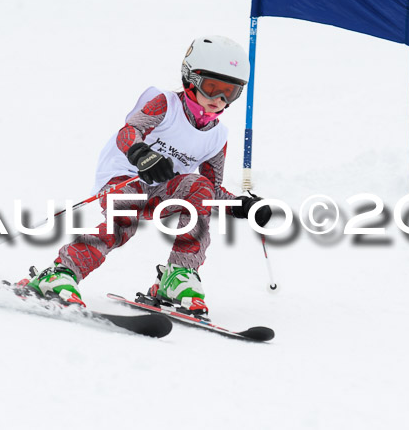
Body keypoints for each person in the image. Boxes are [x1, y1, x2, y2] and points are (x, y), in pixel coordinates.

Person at [20, 35, 272, 316]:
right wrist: (142, 155)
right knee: (124, 221)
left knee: (199, 186)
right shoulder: (165, 103)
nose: (219, 100)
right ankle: (60, 273)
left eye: (230, 92)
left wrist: (241, 205)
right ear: (190, 79)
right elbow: (129, 132)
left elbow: (210, 190)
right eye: (212, 88)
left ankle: (177, 276)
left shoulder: (217, 136)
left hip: (163, 191)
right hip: (124, 178)